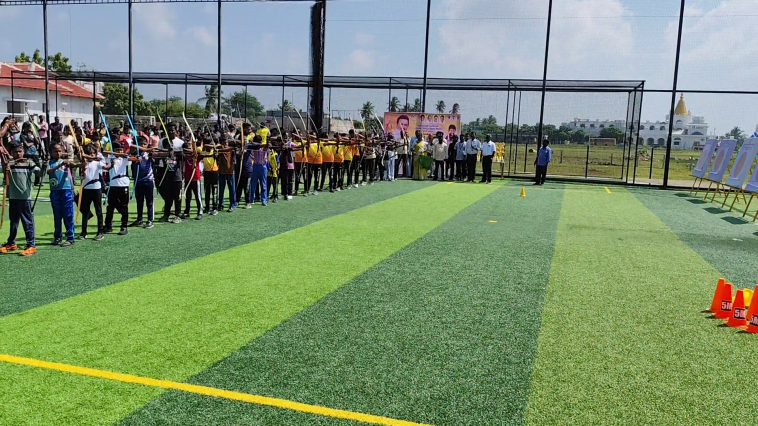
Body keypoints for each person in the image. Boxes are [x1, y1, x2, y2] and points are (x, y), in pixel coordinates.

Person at [0, 144, 43, 255]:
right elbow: (4, 173)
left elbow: (40, 173)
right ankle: (11, 243)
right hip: (13, 197)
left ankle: (31, 245)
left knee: (27, 221)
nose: (18, 154)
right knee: (14, 221)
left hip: (24, 197)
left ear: (23, 152)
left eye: (20, 151)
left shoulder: (29, 163)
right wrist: (5, 168)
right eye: (15, 152)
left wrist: (44, 166)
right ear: (11, 153)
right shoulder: (9, 163)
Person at [78, 144, 109, 241]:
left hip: (96, 189)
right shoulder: (84, 163)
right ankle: (84, 232)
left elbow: (105, 167)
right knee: (85, 211)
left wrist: (111, 164)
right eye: (89, 153)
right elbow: (80, 161)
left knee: (98, 211)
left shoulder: (97, 162)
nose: (91, 155)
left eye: (93, 153)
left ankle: (100, 232)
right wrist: (80, 152)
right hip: (86, 189)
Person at [47, 143, 76, 246]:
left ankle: (70, 237)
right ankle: (57, 236)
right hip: (55, 191)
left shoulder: (67, 161)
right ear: (51, 152)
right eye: (55, 151)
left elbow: (76, 164)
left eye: (59, 151)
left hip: (66, 190)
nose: (58, 153)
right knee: (57, 215)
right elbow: (49, 171)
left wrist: (78, 162)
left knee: (68, 214)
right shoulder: (49, 163)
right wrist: (60, 165)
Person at [103, 141, 131, 235]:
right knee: (110, 206)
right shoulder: (110, 157)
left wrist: (121, 154)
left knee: (124, 206)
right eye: (117, 150)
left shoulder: (124, 158)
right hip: (113, 185)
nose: (119, 152)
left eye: (121, 150)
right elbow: (104, 152)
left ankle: (124, 226)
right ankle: (108, 226)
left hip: (123, 185)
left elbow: (130, 157)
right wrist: (114, 154)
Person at [130, 136, 155, 229]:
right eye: (140, 144)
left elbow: (155, 153)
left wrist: (148, 150)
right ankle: (139, 219)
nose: (143, 145)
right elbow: (131, 147)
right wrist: (144, 149)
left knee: (149, 202)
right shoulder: (134, 153)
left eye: (144, 144)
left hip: (148, 181)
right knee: (139, 202)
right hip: (138, 181)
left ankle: (150, 220)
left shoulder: (149, 153)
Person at [182, 141, 203, 220]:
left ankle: (200, 211)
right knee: (188, 196)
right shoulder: (184, 156)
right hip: (187, 178)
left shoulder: (196, 155)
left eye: (190, 148)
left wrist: (194, 151)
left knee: (197, 195)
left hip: (195, 178)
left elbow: (201, 154)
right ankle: (187, 212)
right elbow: (183, 152)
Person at [216, 136, 237, 212]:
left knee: (232, 189)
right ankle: (221, 204)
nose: (226, 144)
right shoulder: (218, 149)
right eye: (224, 142)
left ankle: (233, 204)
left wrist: (235, 152)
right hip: (221, 171)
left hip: (230, 172)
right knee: (221, 189)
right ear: (221, 143)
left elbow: (234, 158)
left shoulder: (231, 149)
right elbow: (216, 156)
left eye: (227, 142)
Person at [200, 136, 219, 215]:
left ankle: (215, 208)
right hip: (207, 173)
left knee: (214, 191)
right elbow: (202, 148)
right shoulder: (203, 151)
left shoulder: (214, 151)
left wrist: (213, 147)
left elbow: (217, 152)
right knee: (207, 191)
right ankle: (207, 207)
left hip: (214, 172)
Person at [250, 135, 269, 206]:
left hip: (262, 166)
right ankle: (251, 199)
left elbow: (267, 145)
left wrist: (267, 140)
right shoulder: (253, 146)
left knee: (263, 184)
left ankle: (263, 200)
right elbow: (249, 143)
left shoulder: (264, 147)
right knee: (253, 184)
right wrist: (252, 142)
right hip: (255, 166)